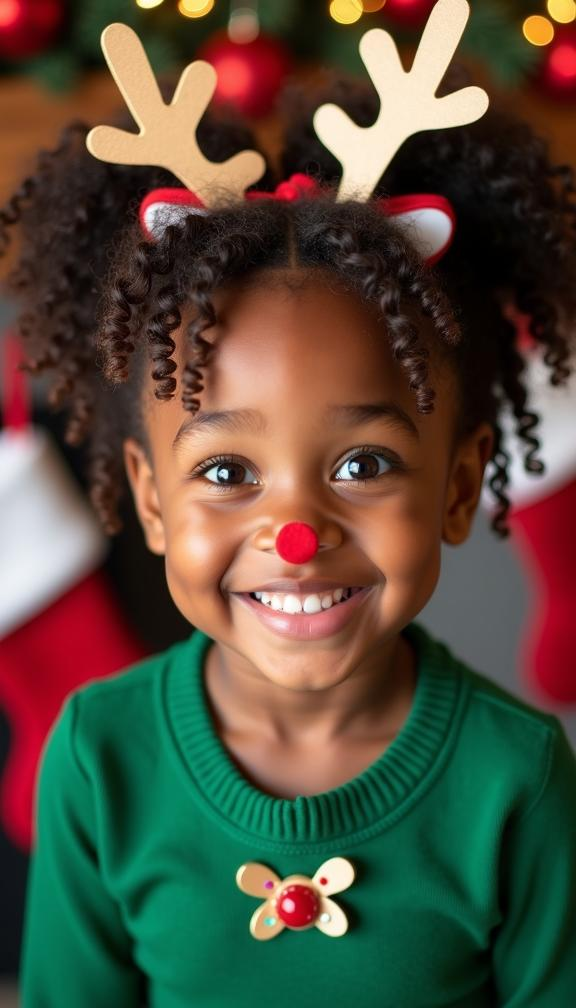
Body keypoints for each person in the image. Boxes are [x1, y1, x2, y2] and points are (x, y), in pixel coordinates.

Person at [3, 8, 576, 1006]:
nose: (295, 534)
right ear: (149, 498)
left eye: (362, 463)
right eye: (227, 473)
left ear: (456, 485)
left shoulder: (517, 776)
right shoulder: (97, 757)